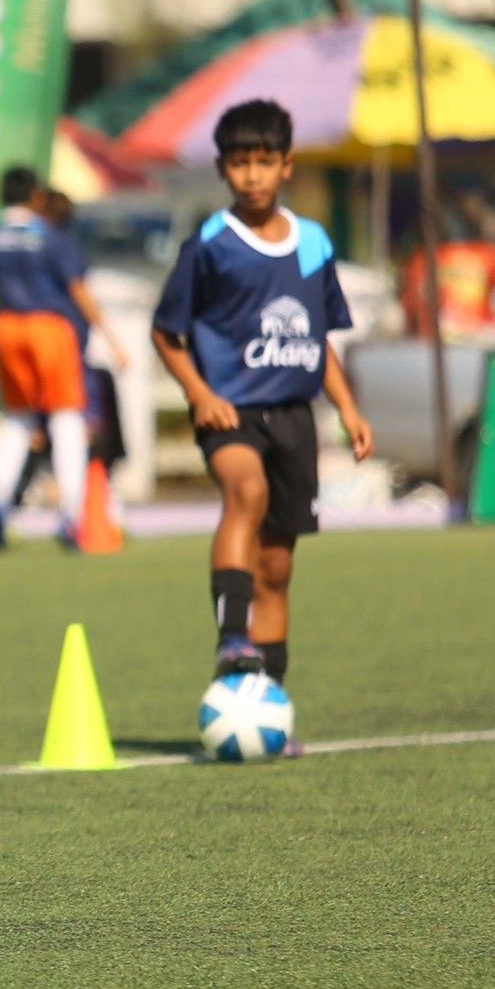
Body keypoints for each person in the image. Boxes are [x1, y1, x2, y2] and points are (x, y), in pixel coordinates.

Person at [151, 99, 373, 702]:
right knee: (245, 491)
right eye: (240, 163)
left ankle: (268, 705)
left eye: (264, 162)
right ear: (223, 169)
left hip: (294, 419)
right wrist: (200, 395)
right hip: (232, 413)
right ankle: (230, 638)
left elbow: (318, 338)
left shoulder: (314, 244)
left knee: (277, 569)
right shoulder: (211, 244)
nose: (252, 175)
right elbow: (166, 334)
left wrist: (349, 410)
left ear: (288, 166)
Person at [0, 166, 124, 550]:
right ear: (35, 196)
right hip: (49, 328)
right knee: (66, 417)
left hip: (7, 326)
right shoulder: (49, 236)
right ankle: (72, 517)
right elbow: (77, 289)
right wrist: (112, 338)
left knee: (17, 420)